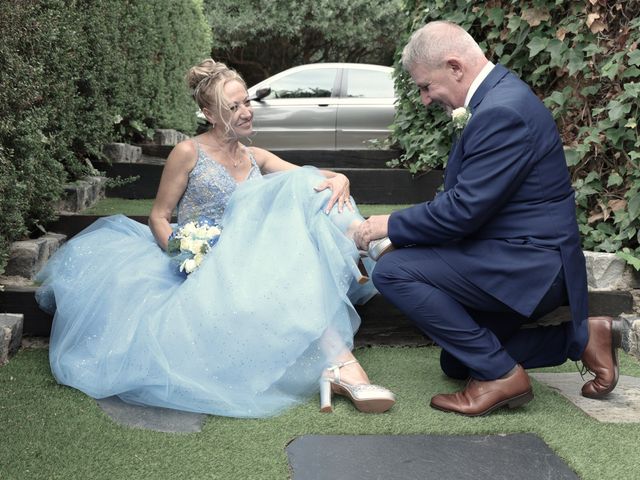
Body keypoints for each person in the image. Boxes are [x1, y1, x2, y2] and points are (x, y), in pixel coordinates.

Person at [35, 59, 395, 417]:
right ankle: (344, 365)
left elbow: (313, 180)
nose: (245, 113)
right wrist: (184, 255)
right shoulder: (188, 152)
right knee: (288, 265)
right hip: (205, 261)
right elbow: (159, 217)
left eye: (247, 103)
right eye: (233, 107)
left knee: (306, 184)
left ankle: (361, 237)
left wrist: (340, 178)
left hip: (254, 258)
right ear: (208, 113)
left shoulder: (255, 156)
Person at [354, 21, 621, 416]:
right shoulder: (499, 98)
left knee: (392, 271)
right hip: (512, 255)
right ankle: (579, 339)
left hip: (528, 266)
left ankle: (502, 376)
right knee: (457, 362)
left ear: (455, 67)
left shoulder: (502, 112)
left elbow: (463, 211)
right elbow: (474, 206)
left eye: (426, 86)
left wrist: (389, 225)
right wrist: (410, 235)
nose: (426, 99)